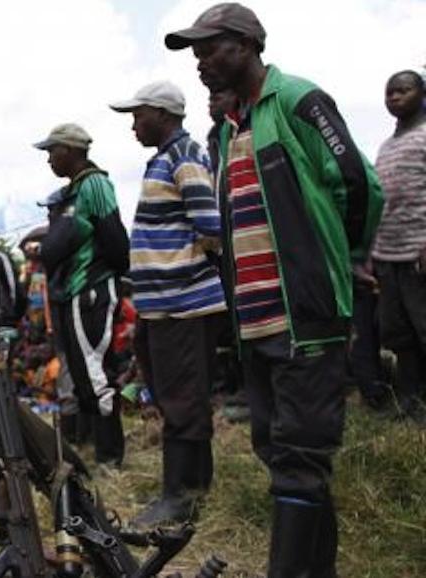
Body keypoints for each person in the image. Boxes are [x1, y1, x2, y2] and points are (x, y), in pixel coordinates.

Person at [165, 4, 383, 575]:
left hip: (304, 318)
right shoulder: (227, 130)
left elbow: (359, 185)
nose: (201, 63)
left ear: (246, 44)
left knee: (299, 457)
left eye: (209, 50)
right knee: (280, 452)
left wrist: (345, 258)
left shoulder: (296, 102)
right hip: (255, 325)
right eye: (196, 54)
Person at [109, 80, 225, 527]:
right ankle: (196, 484)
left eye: (139, 116)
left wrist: (186, 273)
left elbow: (210, 225)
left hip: (183, 302)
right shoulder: (161, 160)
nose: (134, 125)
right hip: (162, 305)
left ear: (163, 114)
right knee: (177, 393)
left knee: (182, 398)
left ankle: (179, 496)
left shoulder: (184, 156)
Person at [26, 123, 130, 467]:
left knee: (97, 373)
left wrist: (107, 276)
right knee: (83, 377)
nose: (48, 160)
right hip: (71, 295)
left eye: (51, 152)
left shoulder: (95, 185)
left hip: (91, 291)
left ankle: (111, 458)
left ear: (69, 150)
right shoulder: (71, 193)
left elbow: (115, 240)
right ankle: (93, 450)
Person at [372, 70, 426, 422]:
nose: (394, 97)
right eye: (389, 92)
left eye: (402, 91)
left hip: (417, 252)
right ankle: (410, 402)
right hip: (387, 254)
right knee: (400, 336)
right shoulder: (386, 146)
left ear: (421, 95)